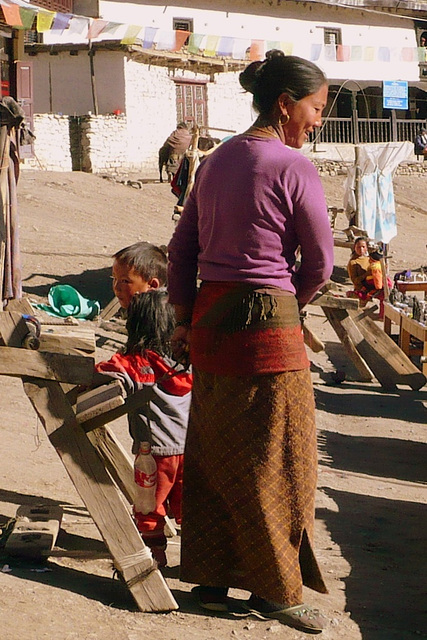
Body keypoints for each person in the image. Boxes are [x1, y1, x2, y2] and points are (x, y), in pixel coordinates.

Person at [167, 50, 334, 634]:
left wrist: (185, 318)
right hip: (269, 326)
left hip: (211, 319)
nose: (318, 121)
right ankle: (278, 591)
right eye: (316, 109)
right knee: (282, 457)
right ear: (286, 104)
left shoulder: (213, 162)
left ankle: (211, 583)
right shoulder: (293, 166)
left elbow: (181, 250)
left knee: (216, 452)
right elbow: (320, 265)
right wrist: (292, 303)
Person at [95, 290, 192, 567]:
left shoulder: (137, 362)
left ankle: (155, 559)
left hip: (155, 454)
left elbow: (105, 372)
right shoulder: (187, 361)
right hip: (192, 450)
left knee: (149, 508)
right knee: (192, 509)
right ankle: (199, 564)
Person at [111, 241, 167, 309]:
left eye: (125, 281)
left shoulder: (154, 317)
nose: (116, 288)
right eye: (114, 278)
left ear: (152, 285)